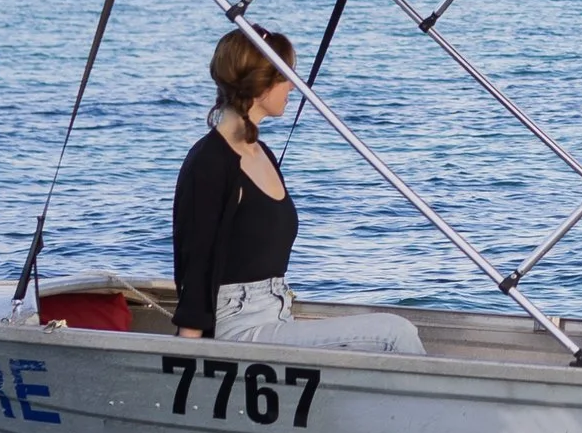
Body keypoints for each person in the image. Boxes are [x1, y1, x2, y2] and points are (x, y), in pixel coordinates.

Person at [172, 29, 425, 353]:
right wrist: (187, 358)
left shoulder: (260, 153)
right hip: (237, 326)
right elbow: (196, 263)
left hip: (276, 316)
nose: (292, 85)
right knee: (394, 333)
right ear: (260, 82)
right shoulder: (210, 162)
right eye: (285, 75)